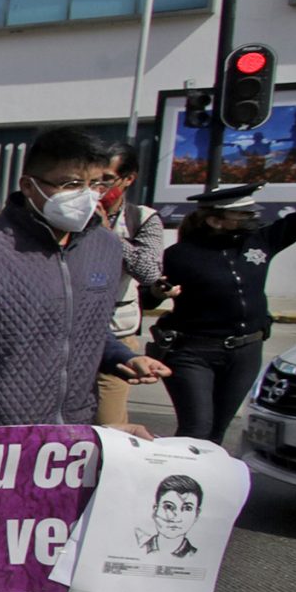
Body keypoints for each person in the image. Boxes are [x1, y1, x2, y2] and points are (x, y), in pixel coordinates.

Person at [0, 126, 168, 427]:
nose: (87, 196)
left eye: (96, 184)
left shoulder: (106, 246)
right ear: (28, 185)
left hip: (76, 427)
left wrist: (123, 356)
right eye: (72, 184)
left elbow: (84, 327)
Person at [154, 171, 296, 442]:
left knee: (218, 431)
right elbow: (148, 298)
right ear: (215, 221)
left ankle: (214, 483)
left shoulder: (261, 242)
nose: (252, 218)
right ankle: (183, 483)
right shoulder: (180, 255)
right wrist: (156, 292)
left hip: (246, 352)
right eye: (243, 215)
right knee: (196, 430)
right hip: (194, 353)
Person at [95, 146, 169, 430]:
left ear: (128, 179)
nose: (99, 188)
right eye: (93, 179)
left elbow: (150, 272)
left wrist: (109, 237)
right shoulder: (75, 215)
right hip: (70, 329)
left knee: (109, 424)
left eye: (107, 179)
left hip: (117, 331)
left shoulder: (142, 218)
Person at [138, 474, 205, 555]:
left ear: (197, 514)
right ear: (155, 510)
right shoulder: (140, 549)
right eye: (169, 507)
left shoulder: (196, 555)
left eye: (187, 508)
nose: (176, 517)